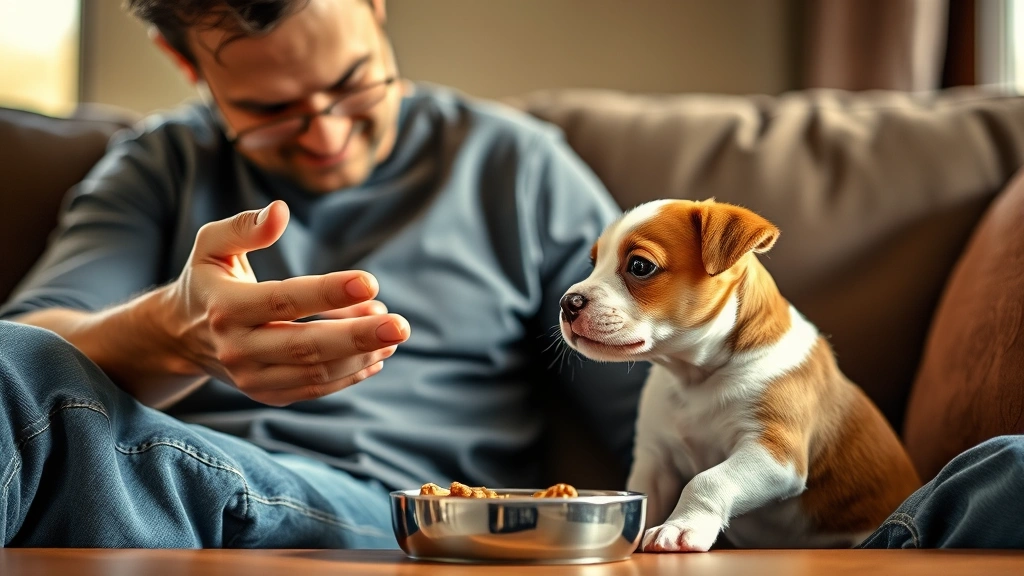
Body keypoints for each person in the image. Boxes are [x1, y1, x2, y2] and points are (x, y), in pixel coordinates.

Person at [0, 0, 1020, 551]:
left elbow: (652, 359)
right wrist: (174, 331)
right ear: (192, 69)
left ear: (378, 8)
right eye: (270, 108)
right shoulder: (155, 169)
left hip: (395, 515)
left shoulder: (514, 166)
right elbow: (31, 359)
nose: (325, 134)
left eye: (354, 83)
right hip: (165, 478)